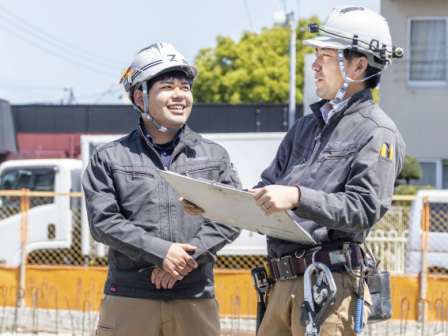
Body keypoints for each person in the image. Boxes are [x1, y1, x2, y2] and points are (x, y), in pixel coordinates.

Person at [249, 6, 405, 336]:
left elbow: (363, 209)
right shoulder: (304, 128)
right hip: (280, 286)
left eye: (326, 55)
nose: (315, 65)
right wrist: (216, 204)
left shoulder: (377, 132)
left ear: (359, 64)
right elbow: (267, 186)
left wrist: (297, 197)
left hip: (330, 291)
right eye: (316, 54)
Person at [82, 42, 240, 336]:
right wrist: (161, 252)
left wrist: (184, 260)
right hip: (130, 297)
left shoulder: (213, 156)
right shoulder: (109, 158)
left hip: (194, 297)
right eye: (167, 86)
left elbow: (230, 217)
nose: (180, 95)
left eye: (185, 87)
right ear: (139, 96)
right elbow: (103, 223)